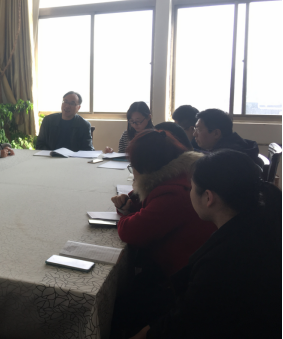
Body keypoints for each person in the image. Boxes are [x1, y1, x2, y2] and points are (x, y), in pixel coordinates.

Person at [131, 150, 282, 339]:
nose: (189, 192)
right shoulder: (260, 222)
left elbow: (184, 322)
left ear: (208, 198)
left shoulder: (224, 260)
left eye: (191, 187)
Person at [110, 130, 216, 337]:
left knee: (117, 309)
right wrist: (132, 200)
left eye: (133, 166)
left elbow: (131, 232)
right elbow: (150, 203)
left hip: (181, 285)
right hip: (188, 272)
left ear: (146, 167)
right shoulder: (182, 175)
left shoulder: (174, 193)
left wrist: (124, 212)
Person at [193, 108, 260, 164]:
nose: (194, 134)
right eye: (195, 129)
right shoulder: (237, 145)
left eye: (198, 130)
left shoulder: (226, 159)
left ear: (216, 133)